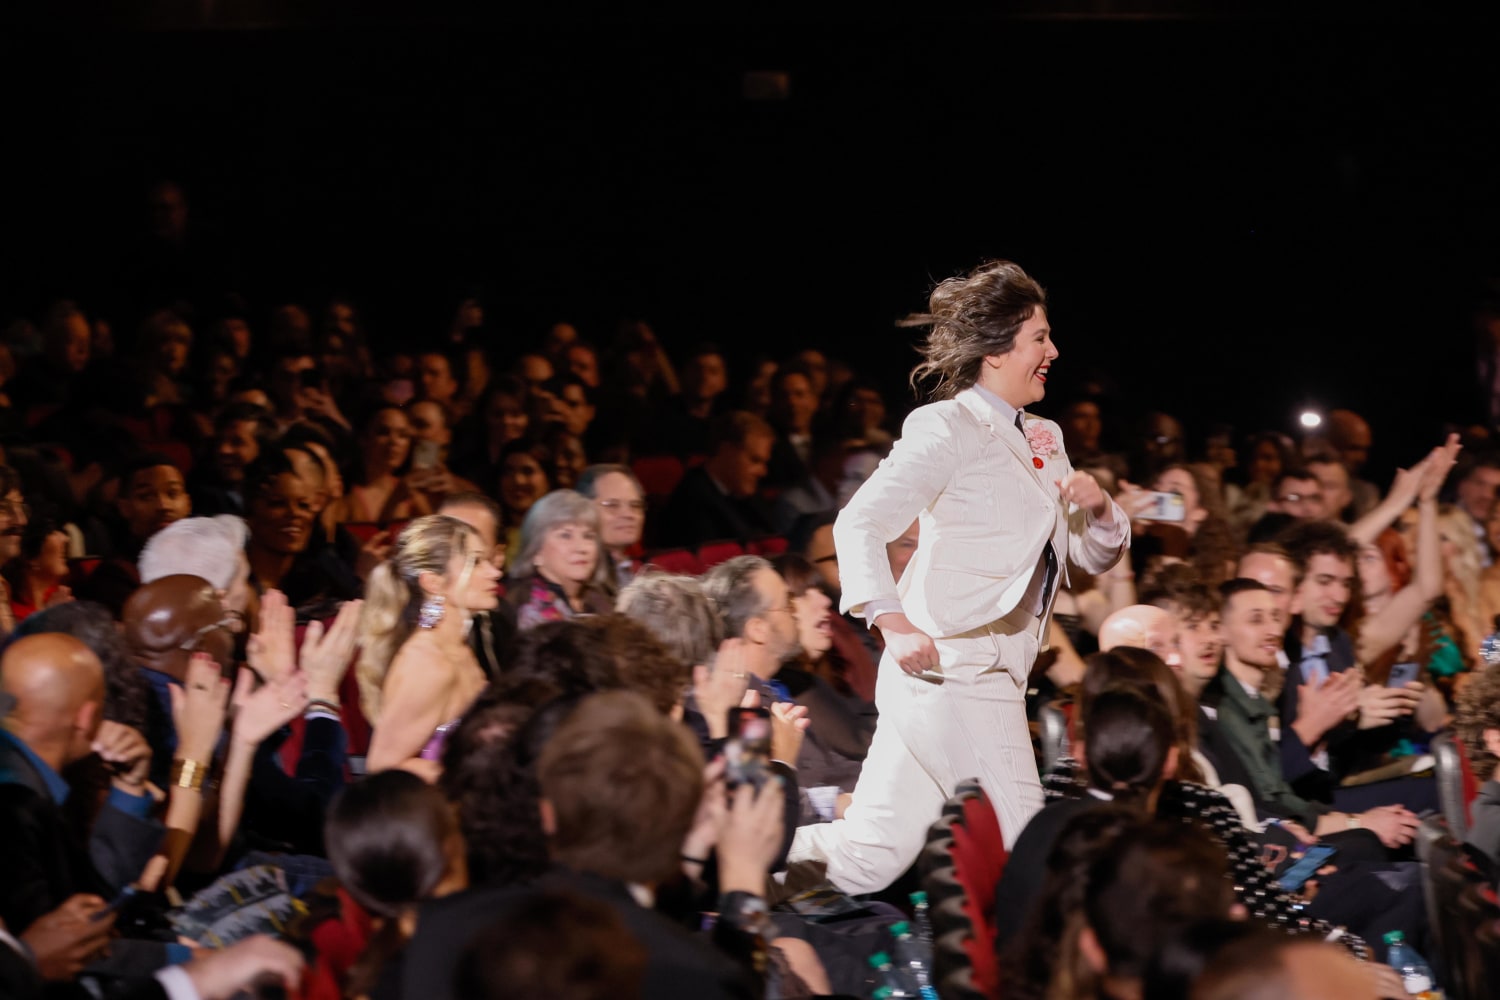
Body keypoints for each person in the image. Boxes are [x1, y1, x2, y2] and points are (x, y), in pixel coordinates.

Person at [787, 260, 1129, 894]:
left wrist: (1102, 509)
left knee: (870, 856)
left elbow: (1088, 557)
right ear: (998, 350)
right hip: (952, 667)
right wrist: (890, 621)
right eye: (1039, 338)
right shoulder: (946, 426)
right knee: (1024, 845)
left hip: (994, 667)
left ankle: (728, 869)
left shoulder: (1047, 438)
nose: (1054, 351)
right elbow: (858, 523)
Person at [357, 514, 501, 781]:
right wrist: (468, 784)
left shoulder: (460, 650)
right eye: (477, 562)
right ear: (433, 582)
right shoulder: (427, 664)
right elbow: (382, 767)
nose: (495, 572)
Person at [505, 490, 613, 630]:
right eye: (565, 536)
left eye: (588, 536)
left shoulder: (600, 600)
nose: (581, 548)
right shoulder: (524, 606)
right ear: (536, 551)